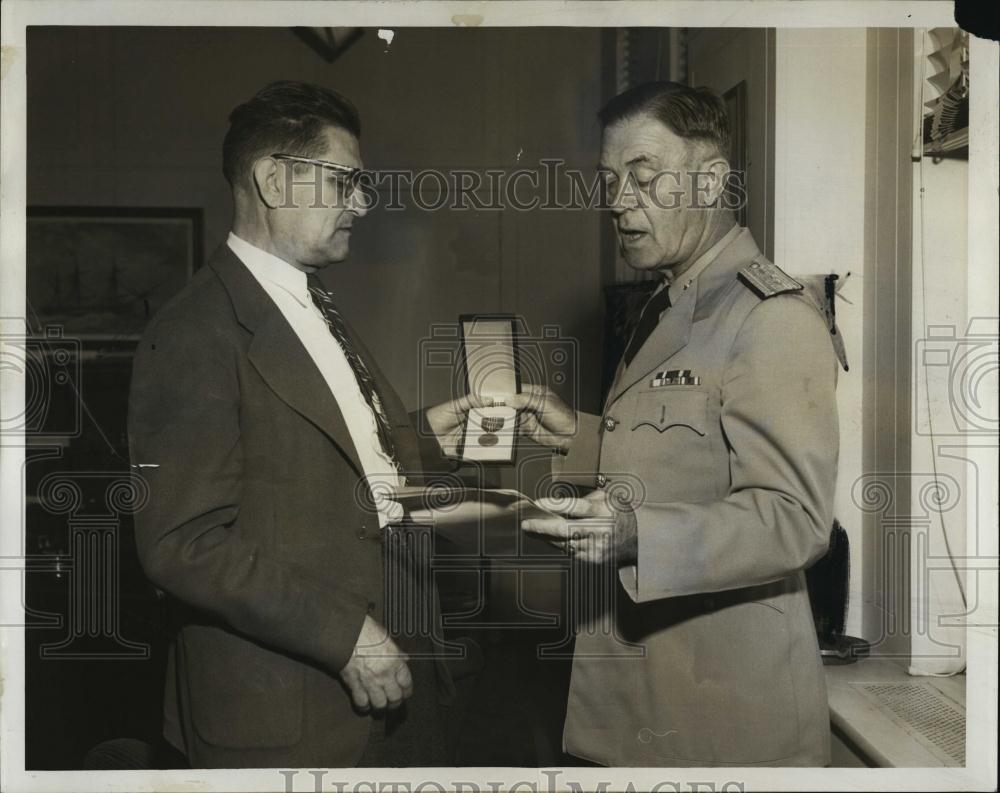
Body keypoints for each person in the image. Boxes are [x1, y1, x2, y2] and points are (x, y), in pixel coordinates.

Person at [128, 81, 472, 768]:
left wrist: (425, 436)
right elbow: (180, 542)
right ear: (273, 179)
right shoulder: (193, 330)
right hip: (289, 710)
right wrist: (345, 635)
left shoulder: (309, 303)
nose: (362, 203)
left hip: (391, 686)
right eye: (346, 181)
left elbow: (320, 455)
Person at [515, 81, 843, 766]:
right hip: (648, 693)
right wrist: (577, 434)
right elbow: (680, 451)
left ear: (711, 180)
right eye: (609, 180)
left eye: (642, 176)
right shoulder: (670, 301)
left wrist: (639, 534)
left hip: (723, 717)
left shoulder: (769, 315)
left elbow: (794, 517)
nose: (616, 201)